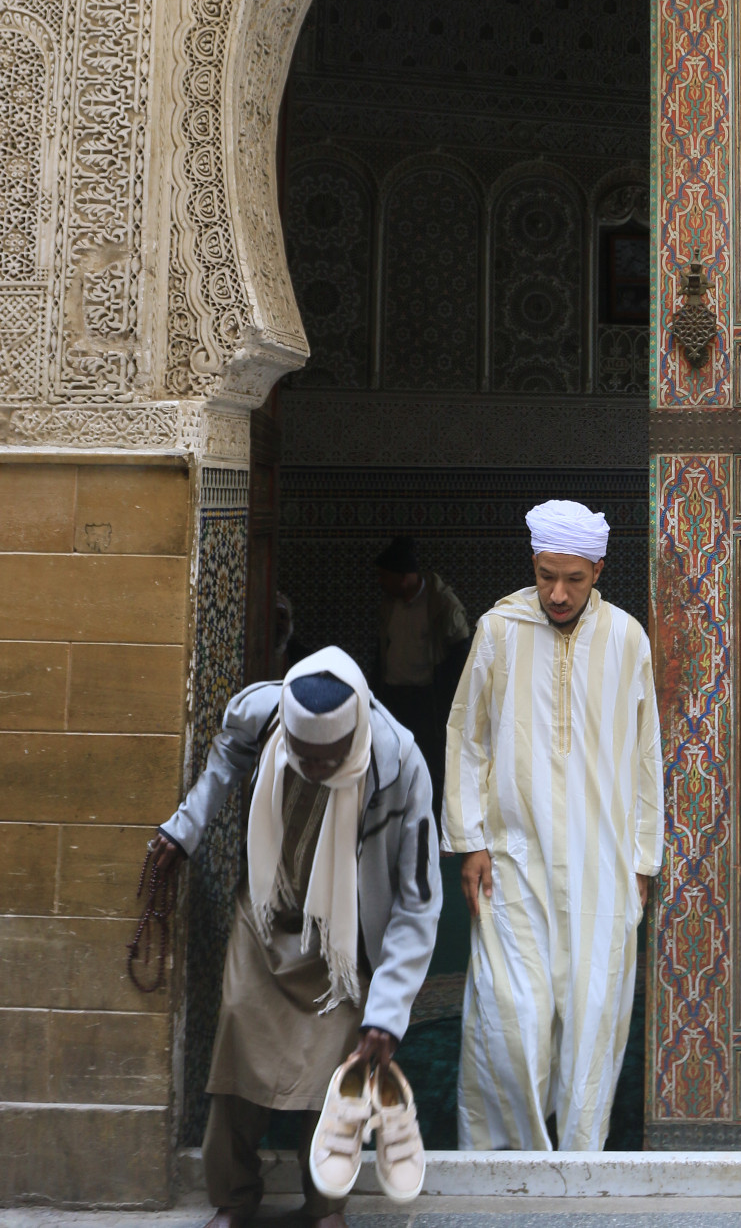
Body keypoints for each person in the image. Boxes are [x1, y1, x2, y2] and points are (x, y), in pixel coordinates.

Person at [150, 645, 440, 1228]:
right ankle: (234, 1197)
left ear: (353, 737)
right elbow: (225, 757)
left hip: (343, 942)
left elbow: (417, 901)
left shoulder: (399, 764)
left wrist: (386, 1011)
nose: (311, 767)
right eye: (301, 756)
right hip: (264, 916)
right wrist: (184, 830)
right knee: (236, 1041)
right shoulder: (262, 714)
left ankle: (324, 1207)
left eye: (326, 759)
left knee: (336, 1068)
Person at [443, 499, 663, 1152]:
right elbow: (467, 737)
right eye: (545, 575)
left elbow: (646, 753)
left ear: (598, 568)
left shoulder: (626, 637)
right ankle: (506, 1160)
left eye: (573, 578)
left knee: (594, 1018)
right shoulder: (498, 629)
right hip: (512, 855)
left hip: (602, 864)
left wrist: (641, 858)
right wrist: (471, 840)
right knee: (512, 1013)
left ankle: (578, 1164)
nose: (557, 592)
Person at [375, 535, 470, 818]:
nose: (380, 582)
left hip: (427, 701)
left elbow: (460, 652)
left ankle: (433, 827)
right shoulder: (389, 604)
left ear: (404, 577)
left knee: (430, 764)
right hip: (394, 696)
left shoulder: (441, 605)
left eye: (385, 576)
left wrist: (447, 701)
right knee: (393, 760)